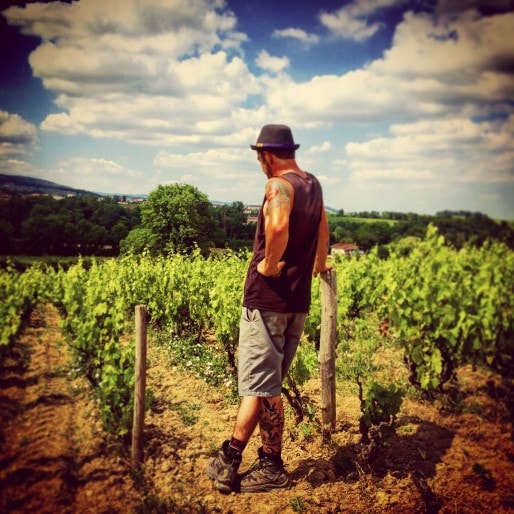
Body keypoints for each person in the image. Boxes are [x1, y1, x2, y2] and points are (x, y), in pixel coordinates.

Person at [206, 124, 331, 493]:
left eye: (259, 156)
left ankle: (269, 465)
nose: (259, 163)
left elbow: (276, 227)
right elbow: (324, 228)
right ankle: (231, 455)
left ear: (268, 155)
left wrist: (268, 264)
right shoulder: (313, 184)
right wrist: (320, 263)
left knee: (265, 387)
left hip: (268, 300)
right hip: (297, 301)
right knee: (263, 385)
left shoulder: (279, 185)